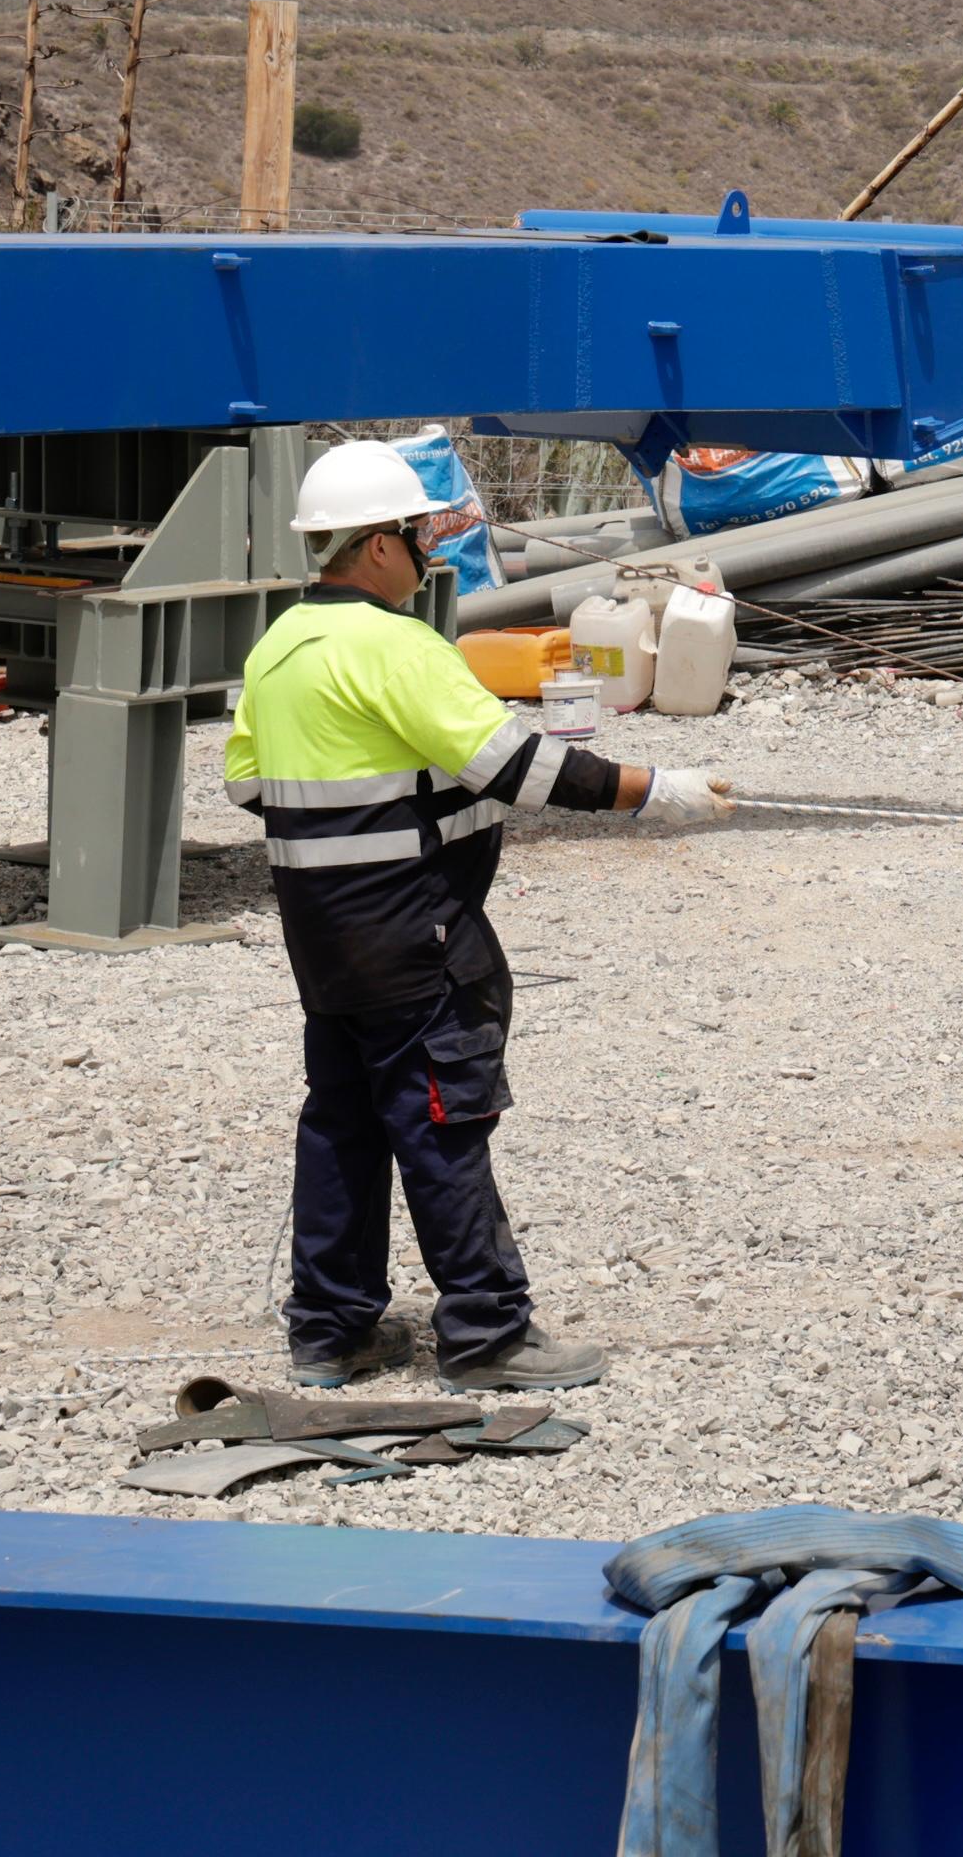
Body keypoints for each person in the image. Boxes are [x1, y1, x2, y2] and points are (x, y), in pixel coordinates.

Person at [228, 440, 737, 1392]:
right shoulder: (396, 647)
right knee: (441, 1121)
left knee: (341, 1125)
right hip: (414, 937)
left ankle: (330, 1332)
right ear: (376, 546)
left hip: (324, 942)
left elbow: (250, 785)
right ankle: (487, 1333)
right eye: (417, 532)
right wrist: (655, 791)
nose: (427, 548)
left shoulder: (279, 648)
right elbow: (524, 769)